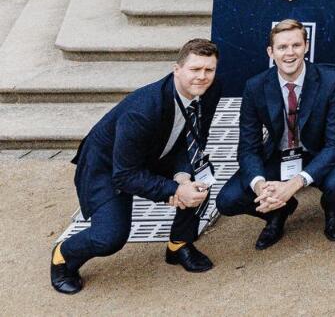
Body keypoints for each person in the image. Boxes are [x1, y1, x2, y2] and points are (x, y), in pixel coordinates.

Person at [50, 39, 223, 294]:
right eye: (195, 69)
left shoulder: (209, 90)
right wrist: (173, 190)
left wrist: (184, 178)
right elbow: (125, 175)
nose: (202, 77)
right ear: (177, 69)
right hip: (108, 167)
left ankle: (178, 245)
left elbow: (194, 138)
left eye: (209, 70)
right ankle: (63, 256)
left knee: (199, 184)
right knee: (109, 238)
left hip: (155, 153)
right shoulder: (143, 110)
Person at [216, 20, 335, 248]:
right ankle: (278, 213)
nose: (289, 53)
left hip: (319, 151)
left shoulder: (331, 81)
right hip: (280, 154)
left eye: (296, 45)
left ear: (306, 46)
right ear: (271, 52)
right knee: (227, 200)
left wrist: (293, 185)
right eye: (282, 47)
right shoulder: (255, 86)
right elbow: (248, 147)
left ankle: (332, 208)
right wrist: (261, 186)